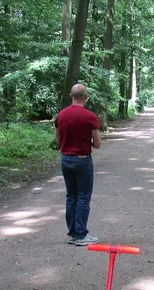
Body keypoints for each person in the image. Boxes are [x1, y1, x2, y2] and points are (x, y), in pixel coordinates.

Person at [55, 83, 102, 246]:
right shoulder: (90, 116)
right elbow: (97, 144)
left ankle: (73, 233)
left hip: (65, 158)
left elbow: (58, 140)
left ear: (71, 96)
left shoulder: (61, 115)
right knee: (83, 196)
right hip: (82, 159)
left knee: (71, 196)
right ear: (86, 97)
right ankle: (81, 235)